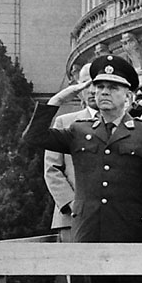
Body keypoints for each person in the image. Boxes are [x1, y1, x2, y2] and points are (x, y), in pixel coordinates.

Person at [21, 54, 142, 283]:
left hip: (130, 235)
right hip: (89, 234)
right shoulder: (79, 131)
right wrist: (58, 99)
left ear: (129, 95)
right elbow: (33, 138)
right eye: (99, 87)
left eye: (112, 87)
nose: (103, 93)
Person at [43, 63, 94, 244]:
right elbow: (52, 169)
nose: (92, 90)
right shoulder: (65, 122)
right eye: (86, 84)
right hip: (71, 217)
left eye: (97, 83)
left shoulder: (126, 123)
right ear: (77, 89)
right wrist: (72, 204)